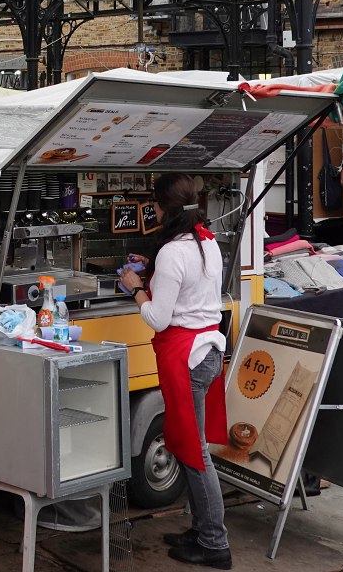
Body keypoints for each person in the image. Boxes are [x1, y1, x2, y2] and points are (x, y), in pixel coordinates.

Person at [118, 173, 230, 569]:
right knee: (188, 445)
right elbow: (190, 285)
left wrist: (135, 287)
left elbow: (158, 319)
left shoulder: (172, 254)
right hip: (209, 350)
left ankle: (215, 543)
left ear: (161, 207)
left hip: (187, 358)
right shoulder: (207, 242)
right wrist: (154, 272)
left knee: (192, 451)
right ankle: (201, 530)